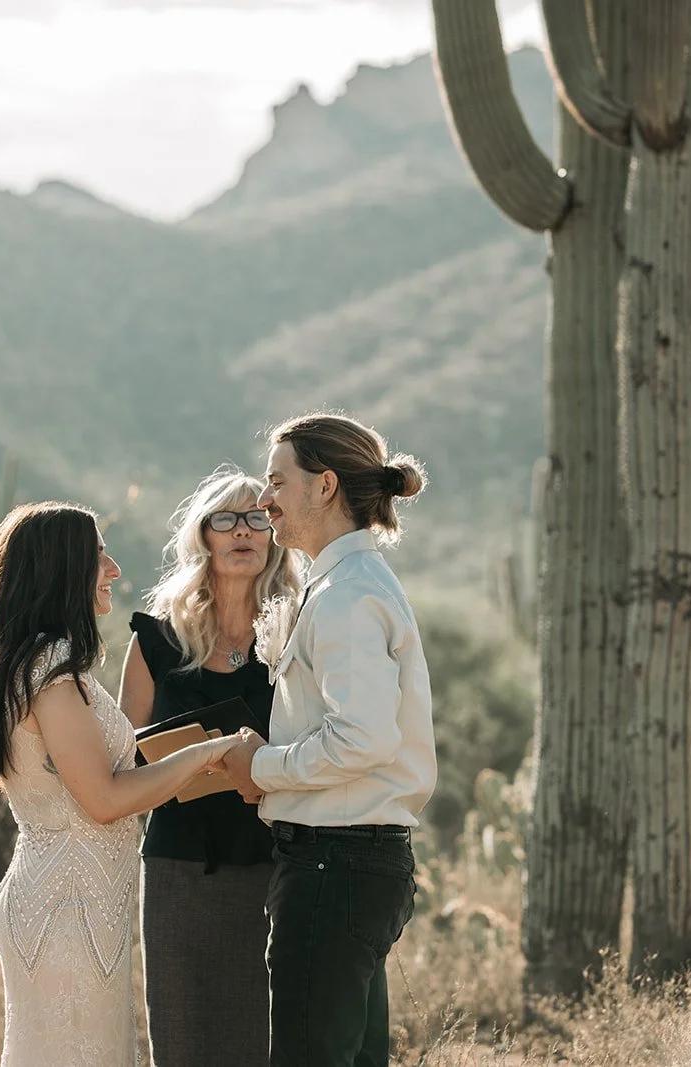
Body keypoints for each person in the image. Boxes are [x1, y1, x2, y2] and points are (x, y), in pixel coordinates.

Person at [0, 501, 243, 1067]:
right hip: (68, 912)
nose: (113, 569)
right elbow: (104, 801)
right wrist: (207, 752)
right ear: (63, 570)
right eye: (98, 555)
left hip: (74, 905)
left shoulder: (38, 663)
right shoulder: (52, 669)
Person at [220, 413, 436, 1067]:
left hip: (332, 867)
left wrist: (260, 764)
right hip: (348, 865)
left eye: (276, 480)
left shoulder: (346, 596)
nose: (264, 500)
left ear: (325, 485)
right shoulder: (348, 584)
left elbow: (362, 738)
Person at [117, 466, 302, 1067]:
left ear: (275, 533)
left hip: (277, 863)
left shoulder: (302, 633)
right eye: (226, 519)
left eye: (258, 517)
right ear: (204, 536)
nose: (243, 531)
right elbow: (124, 759)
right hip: (176, 866)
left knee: (262, 1039)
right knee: (182, 1037)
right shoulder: (155, 642)